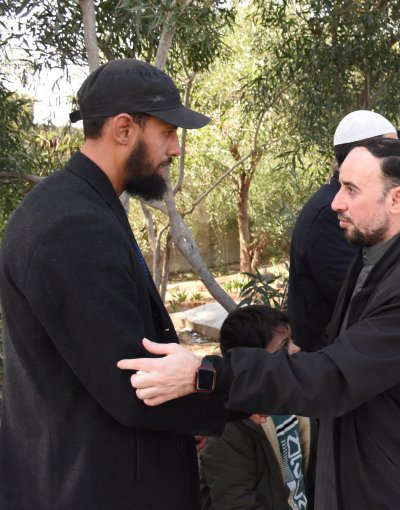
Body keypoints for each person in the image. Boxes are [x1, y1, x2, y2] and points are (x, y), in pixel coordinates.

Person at [120, 138, 400, 509]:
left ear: (397, 200)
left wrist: (208, 374)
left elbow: (333, 376)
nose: (336, 202)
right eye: (339, 186)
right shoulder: (374, 259)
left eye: (351, 189)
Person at [0, 58, 229, 509]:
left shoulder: (78, 204)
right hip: (91, 486)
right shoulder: (73, 225)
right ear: (123, 129)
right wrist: (234, 390)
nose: (175, 149)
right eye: (167, 132)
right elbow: (133, 383)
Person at [287, 110, 397, 352]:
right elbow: (357, 295)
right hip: (332, 357)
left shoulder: (354, 202)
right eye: (392, 150)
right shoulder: (331, 212)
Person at [199, 305, 315, 510]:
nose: (296, 349)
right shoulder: (229, 429)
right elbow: (235, 503)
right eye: (284, 345)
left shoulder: (293, 401)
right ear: (251, 362)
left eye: (292, 340)